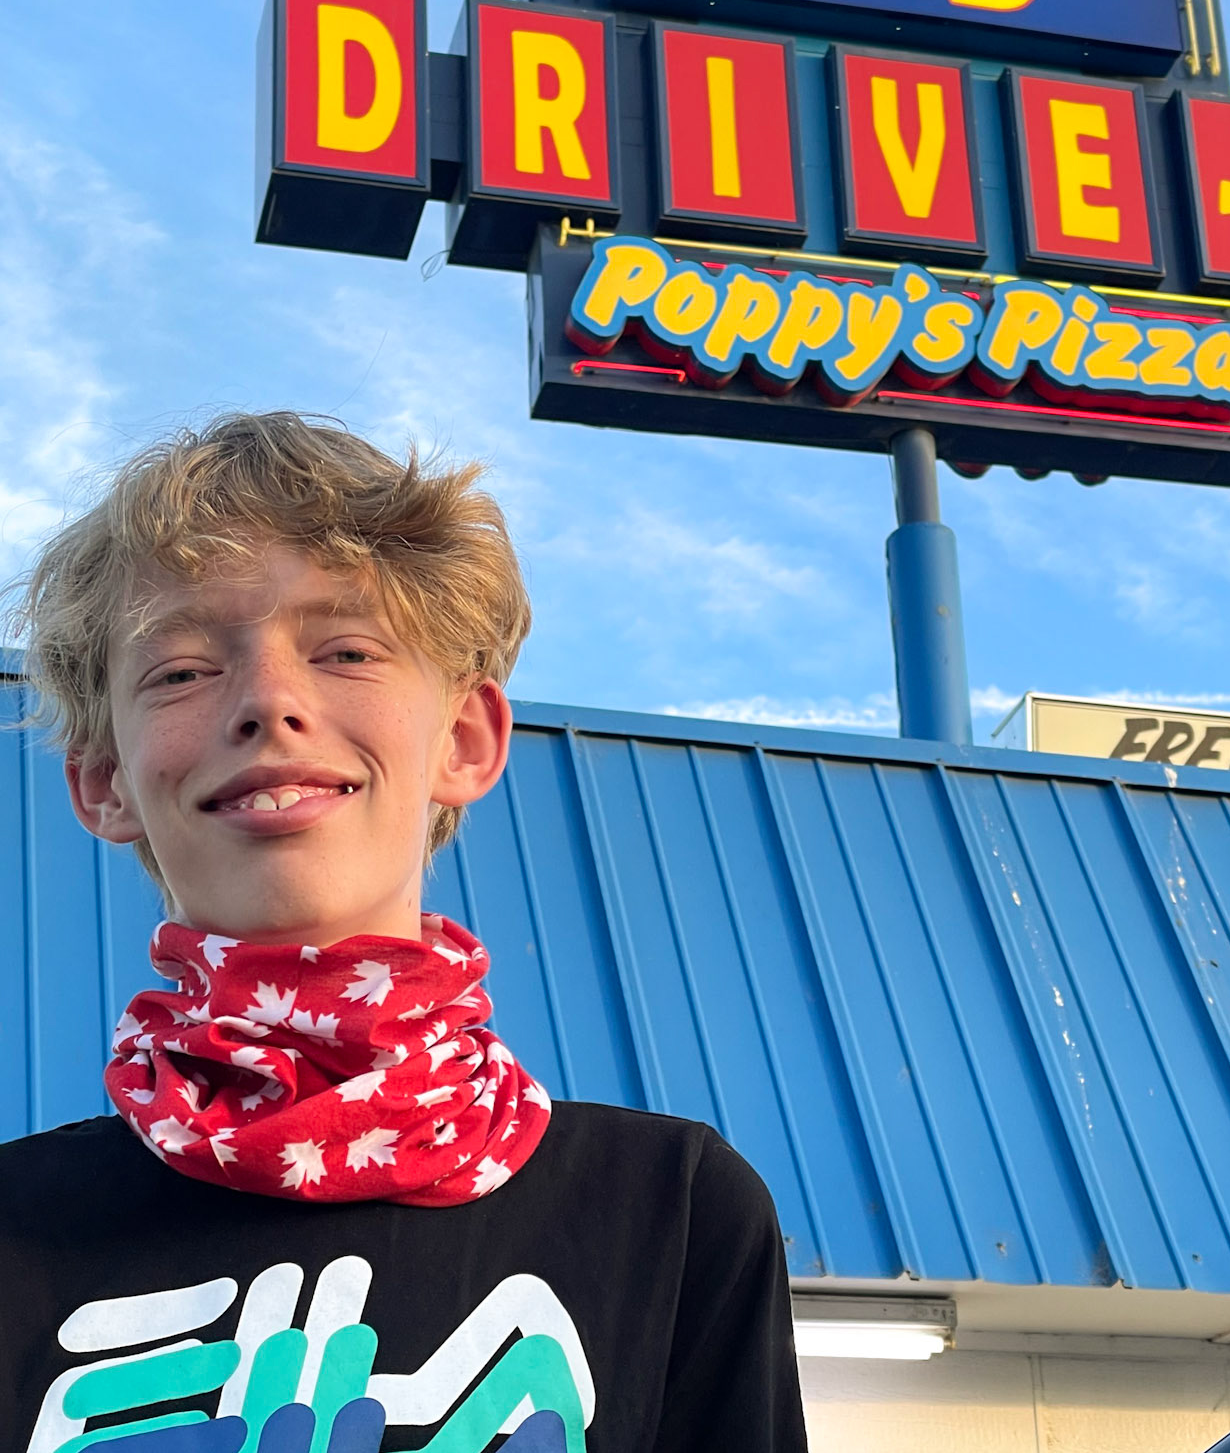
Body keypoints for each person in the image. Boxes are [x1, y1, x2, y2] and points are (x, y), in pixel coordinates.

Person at [0, 412, 809, 1453]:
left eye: (346, 650)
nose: (269, 702)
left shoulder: (673, 1212)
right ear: (104, 779)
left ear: (464, 738)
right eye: (182, 670)